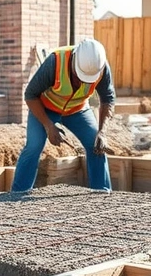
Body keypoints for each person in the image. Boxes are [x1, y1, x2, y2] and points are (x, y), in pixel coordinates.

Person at [11, 38, 115, 192]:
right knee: (34, 146)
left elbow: (108, 99)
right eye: (79, 75)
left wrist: (102, 132)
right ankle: (18, 192)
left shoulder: (101, 68)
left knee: (96, 144)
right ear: (74, 59)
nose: (81, 81)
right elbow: (30, 95)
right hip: (45, 107)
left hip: (77, 109)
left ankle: (102, 193)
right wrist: (48, 125)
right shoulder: (55, 61)